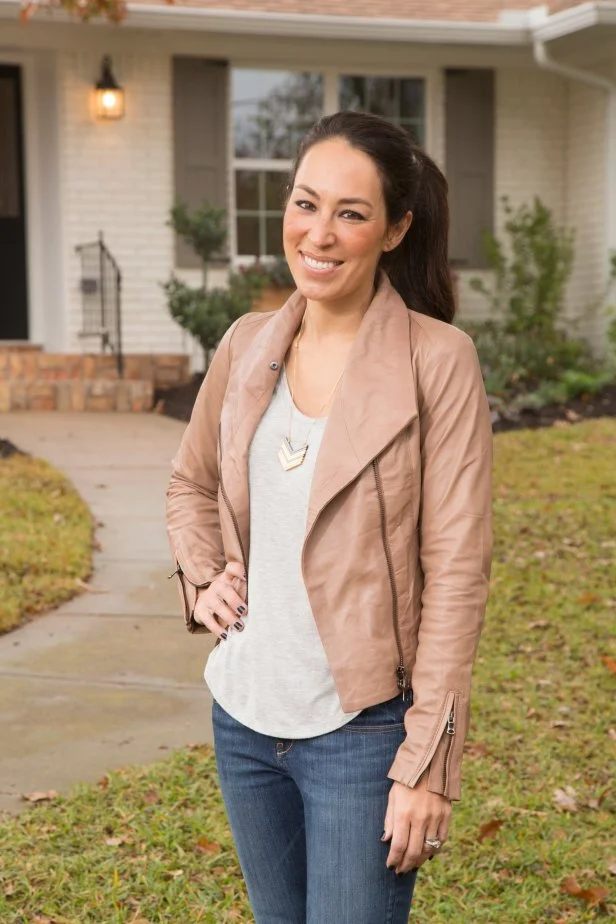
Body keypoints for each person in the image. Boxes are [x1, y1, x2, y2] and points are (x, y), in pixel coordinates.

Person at [166, 110, 493, 924]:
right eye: (305, 204)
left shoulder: (437, 361)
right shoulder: (246, 346)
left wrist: (428, 764)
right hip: (243, 716)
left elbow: (456, 574)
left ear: (394, 230)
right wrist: (203, 575)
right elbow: (190, 484)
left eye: (351, 213)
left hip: (362, 730)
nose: (320, 232)